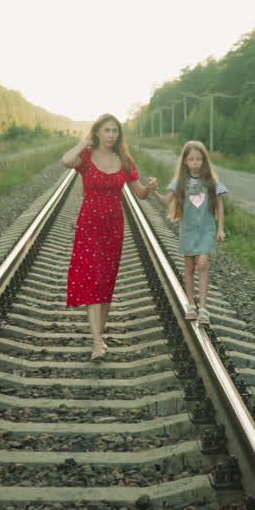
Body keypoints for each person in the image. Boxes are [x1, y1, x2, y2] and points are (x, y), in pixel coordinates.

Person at [61, 114, 155, 360]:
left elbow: (140, 194)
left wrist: (150, 188)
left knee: (106, 283)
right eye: (107, 130)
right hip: (89, 226)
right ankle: (96, 343)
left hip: (114, 228)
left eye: (115, 131)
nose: (112, 135)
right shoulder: (86, 157)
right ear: (98, 132)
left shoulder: (124, 160)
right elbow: (65, 160)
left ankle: (99, 335)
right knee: (92, 280)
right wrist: (83, 143)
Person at [149, 140, 227, 324]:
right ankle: (191, 304)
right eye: (191, 159)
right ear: (185, 161)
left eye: (199, 159)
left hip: (206, 229)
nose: (195, 163)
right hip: (188, 230)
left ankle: (204, 307)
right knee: (190, 267)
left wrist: (221, 228)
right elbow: (165, 202)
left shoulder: (211, 181)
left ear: (204, 160)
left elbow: (220, 206)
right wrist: (153, 192)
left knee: (203, 264)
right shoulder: (180, 182)